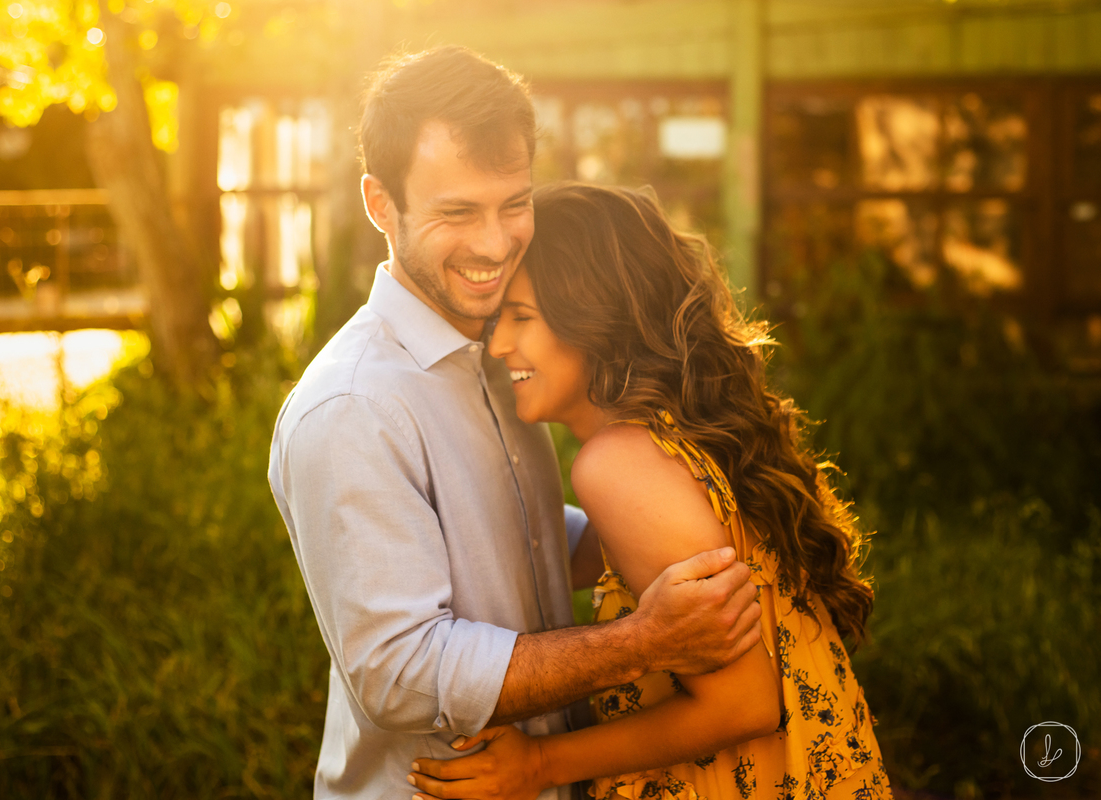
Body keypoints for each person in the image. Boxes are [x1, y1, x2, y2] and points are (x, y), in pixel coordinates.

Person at [267, 48, 764, 800]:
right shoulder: (353, 409)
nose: (495, 243)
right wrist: (641, 642)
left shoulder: (496, 352)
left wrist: (650, 520)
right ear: (380, 203)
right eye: (456, 212)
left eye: (512, 203)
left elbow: (511, 534)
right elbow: (400, 673)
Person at [407, 183, 890, 800]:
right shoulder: (676, 436)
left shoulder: (617, 465)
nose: (498, 344)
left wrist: (537, 764)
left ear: (594, 316)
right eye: (500, 318)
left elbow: (742, 705)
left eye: (522, 317)